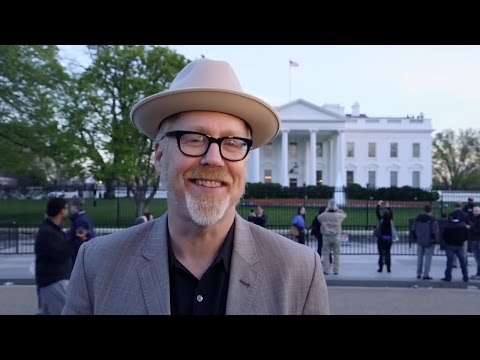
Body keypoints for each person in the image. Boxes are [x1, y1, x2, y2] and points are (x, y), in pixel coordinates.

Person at [63, 58, 329, 315]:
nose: (214, 159)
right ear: (159, 156)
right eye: (193, 139)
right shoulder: (98, 265)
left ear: (245, 162)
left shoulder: (299, 271)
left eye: (233, 143)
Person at [35, 198, 75, 315]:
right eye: (66, 208)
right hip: (54, 281)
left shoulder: (53, 230)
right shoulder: (48, 232)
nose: (68, 211)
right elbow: (61, 254)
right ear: (61, 211)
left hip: (51, 280)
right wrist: (76, 242)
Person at [318, 199, 347, 275]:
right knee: (336, 253)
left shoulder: (324, 216)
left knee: (326, 253)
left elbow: (319, 218)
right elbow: (345, 214)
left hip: (326, 236)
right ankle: (336, 270)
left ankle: (326, 269)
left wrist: (326, 210)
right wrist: (338, 209)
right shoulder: (338, 215)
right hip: (336, 236)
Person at [411, 205, 439, 280]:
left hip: (420, 240)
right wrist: (436, 240)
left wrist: (415, 237)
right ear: (431, 210)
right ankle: (426, 274)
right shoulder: (432, 220)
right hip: (429, 241)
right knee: (428, 258)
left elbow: (413, 228)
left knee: (419, 257)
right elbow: (435, 231)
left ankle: (418, 273)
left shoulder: (418, 218)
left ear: (424, 210)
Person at [441, 212, 469, 282]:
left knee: (449, 262)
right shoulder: (462, 225)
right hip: (460, 245)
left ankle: (448, 277)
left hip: (450, 245)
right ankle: (465, 276)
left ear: (451, 218)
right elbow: (466, 236)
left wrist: (447, 242)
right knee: (463, 262)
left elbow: (444, 236)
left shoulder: (448, 226)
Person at [68, 197, 95, 268]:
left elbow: (79, 239)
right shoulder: (83, 217)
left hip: (78, 253)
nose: (70, 208)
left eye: (71, 206)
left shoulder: (80, 220)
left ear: (76, 206)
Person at [375, 201, 394, 273]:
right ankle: (388, 268)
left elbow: (377, 212)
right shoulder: (390, 220)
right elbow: (391, 213)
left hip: (381, 238)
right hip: (388, 238)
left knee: (381, 254)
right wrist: (388, 206)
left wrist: (378, 204)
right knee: (388, 253)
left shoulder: (381, 220)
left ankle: (380, 268)